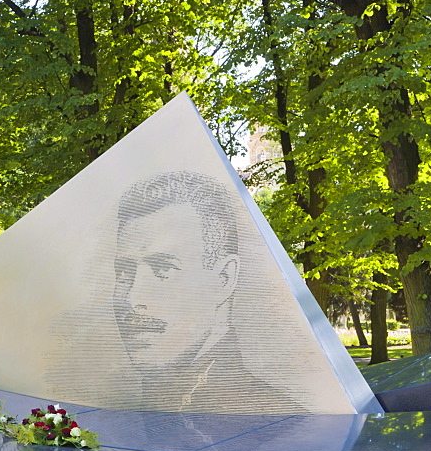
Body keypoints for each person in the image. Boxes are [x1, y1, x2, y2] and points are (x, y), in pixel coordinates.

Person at [112, 171, 302, 413]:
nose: (132, 298)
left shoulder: (278, 424)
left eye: (163, 269)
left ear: (224, 279)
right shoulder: (146, 413)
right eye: (124, 273)